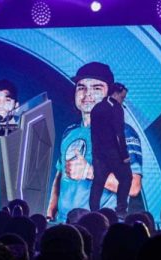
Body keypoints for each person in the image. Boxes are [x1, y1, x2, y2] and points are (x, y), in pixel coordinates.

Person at [46, 62, 143, 223]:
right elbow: (60, 175)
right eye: (81, 87)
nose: (87, 94)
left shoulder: (123, 132)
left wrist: (89, 172)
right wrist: (50, 213)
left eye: (97, 88)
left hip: (101, 227)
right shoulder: (70, 132)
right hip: (65, 224)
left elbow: (134, 187)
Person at [90, 82, 132, 215]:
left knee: (98, 182)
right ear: (116, 93)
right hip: (113, 153)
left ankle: (94, 212)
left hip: (98, 153)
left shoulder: (97, 107)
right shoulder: (116, 108)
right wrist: (124, 155)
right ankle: (121, 210)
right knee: (126, 178)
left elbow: (93, 133)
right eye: (122, 97)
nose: (122, 100)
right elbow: (119, 134)